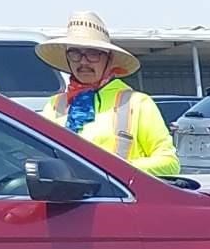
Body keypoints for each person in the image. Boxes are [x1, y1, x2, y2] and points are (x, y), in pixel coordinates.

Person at [36, 11, 179, 177]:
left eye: (92, 54)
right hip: (64, 199)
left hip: (119, 201)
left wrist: (114, 170)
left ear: (109, 59)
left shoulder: (137, 103)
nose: (83, 61)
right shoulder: (54, 105)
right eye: (75, 53)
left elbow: (169, 162)